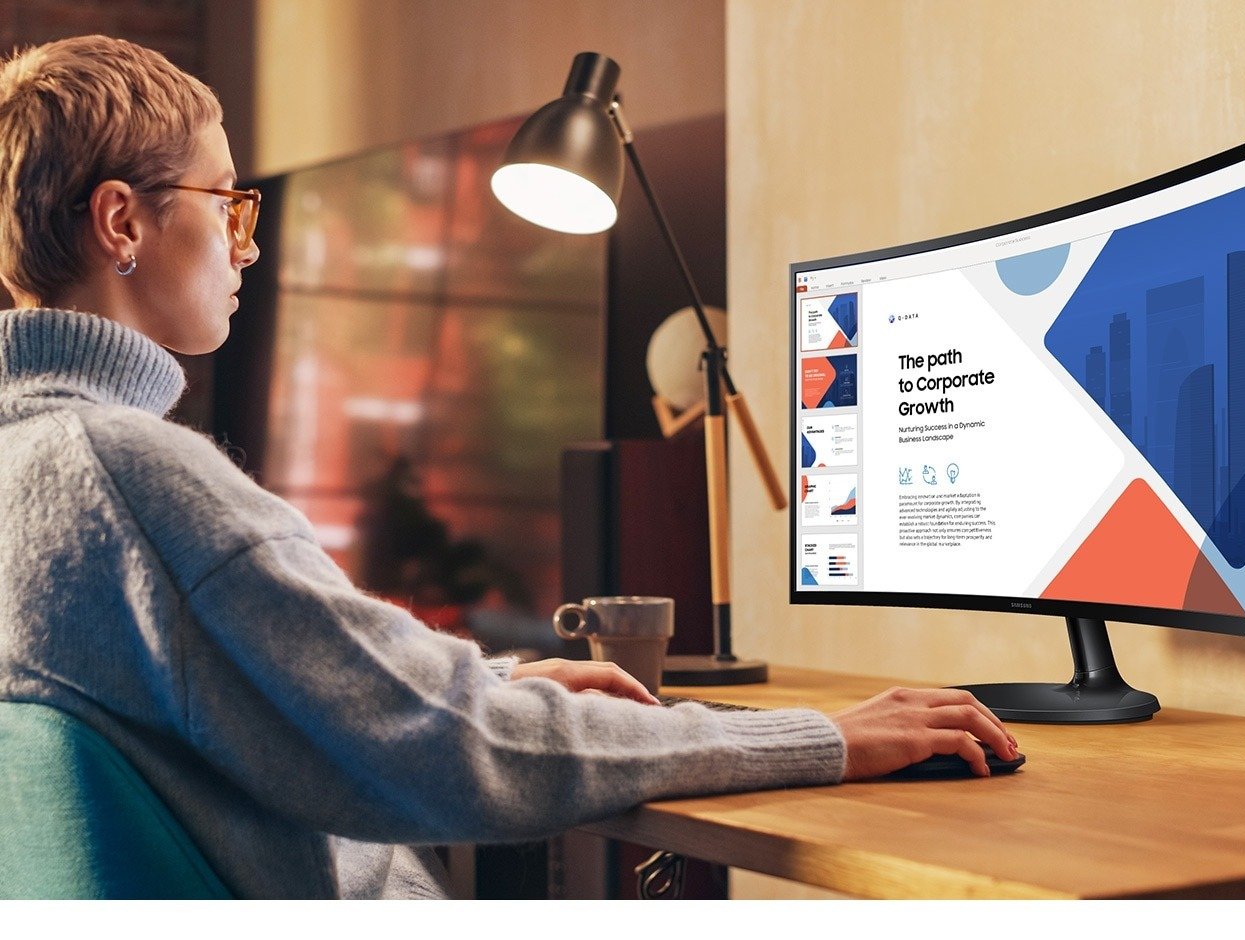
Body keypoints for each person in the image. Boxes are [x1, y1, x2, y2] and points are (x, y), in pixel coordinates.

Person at [0, 35, 1018, 899]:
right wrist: (826, 737)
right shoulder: (133, 476)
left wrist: (484, 681)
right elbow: (448, 748)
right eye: (228, 205)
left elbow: (259, 699)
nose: (247, 247)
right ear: (124, 221)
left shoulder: (33, 467)